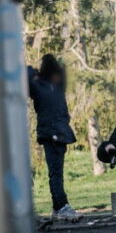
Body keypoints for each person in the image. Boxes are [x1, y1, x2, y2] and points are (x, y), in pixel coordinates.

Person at [28, 54, 80, 222]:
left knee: (57, 172)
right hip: (51, 134)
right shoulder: (39, 87)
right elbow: (26, 75)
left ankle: (59, 206)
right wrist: (33, 72)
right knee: (55, 173)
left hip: (60, 133)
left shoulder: (55, 88)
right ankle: (61, 206)